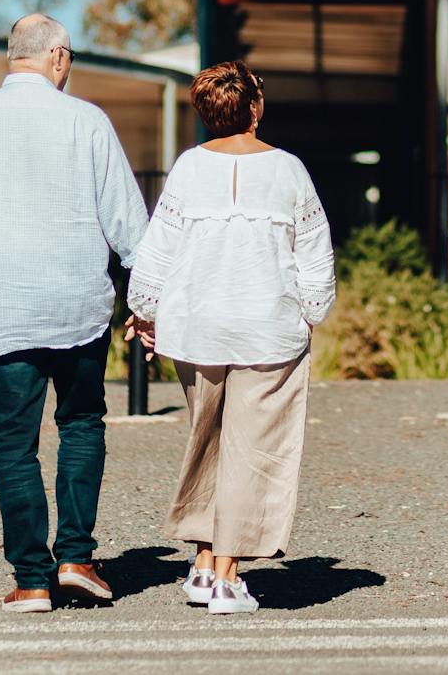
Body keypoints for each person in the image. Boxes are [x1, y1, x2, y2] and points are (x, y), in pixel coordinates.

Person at [0, 14, 150, 613]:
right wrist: (147, 299)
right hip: (77, 305)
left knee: (13, 443)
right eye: (70, 56)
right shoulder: (87, 122)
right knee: (81, 424)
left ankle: (32, 579)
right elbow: (130, 229)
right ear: (57, 56)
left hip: (2, 307)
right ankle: (76, 557)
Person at [126, 60, 335, 616]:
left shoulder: (189, 169)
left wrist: (144, 312)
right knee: (253, 450)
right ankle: (227, 578)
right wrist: (314, 310)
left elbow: (158, 247)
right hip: (268, 331)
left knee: (207, 442)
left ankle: (200, 564)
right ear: (255, 108)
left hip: (195, 328)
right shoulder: (289, 170)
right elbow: (315, 253)